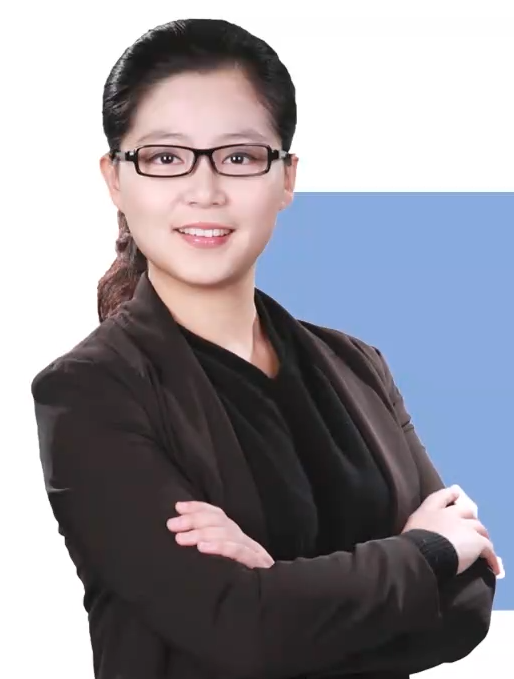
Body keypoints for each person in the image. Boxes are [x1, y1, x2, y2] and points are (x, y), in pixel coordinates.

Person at [31, 17, 498, 679]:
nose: (205, 190)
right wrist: (425, 553)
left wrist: (278, 589)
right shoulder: (87, 392)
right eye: (164, 158)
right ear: (115, 179)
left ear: (285, 177)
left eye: (239, 157)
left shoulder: (358, 365)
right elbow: (242, 629)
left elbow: (469, 602)